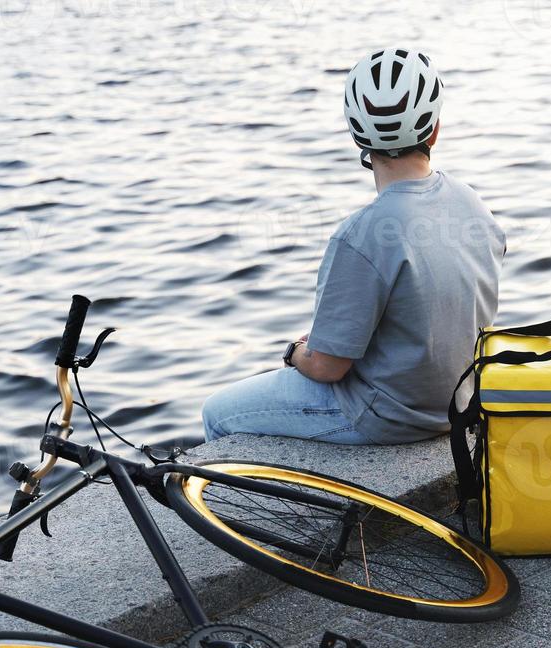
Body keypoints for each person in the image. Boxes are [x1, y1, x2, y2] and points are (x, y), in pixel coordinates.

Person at [202, 47, 506, 445]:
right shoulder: (471, 202)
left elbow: (328, 368)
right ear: (434, 130)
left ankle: (224, 508)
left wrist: (295, 351)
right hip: (460, 402)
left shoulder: (360, 235)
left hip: (390, 417)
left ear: (357, 135)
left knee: (218, 413)